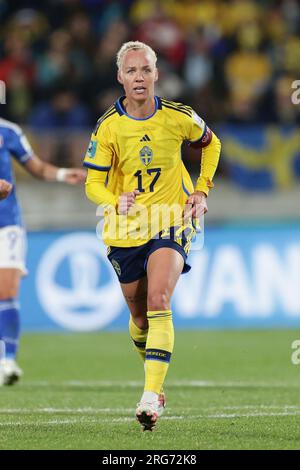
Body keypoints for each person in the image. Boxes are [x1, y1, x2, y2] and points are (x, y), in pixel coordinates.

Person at [83, 41, 221, 431]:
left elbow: (213, 145)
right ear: (120, 78)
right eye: (131, 71)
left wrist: (201, 190)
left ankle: (149, 397)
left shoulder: (179, 116)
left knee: (161, 297)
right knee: (139, 316)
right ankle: (155, 381)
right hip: (126, 229)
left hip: (172, 220)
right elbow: (92, 183)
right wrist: (114, 198)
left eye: (145, 69)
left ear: (156, 74)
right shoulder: (109, 125)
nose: (139, 77)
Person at [0, 117, 86, 386]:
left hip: (7, 223)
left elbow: (34, 166)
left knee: (7, 290)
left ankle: (7, 360)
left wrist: (62, 174)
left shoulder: (9, 131)